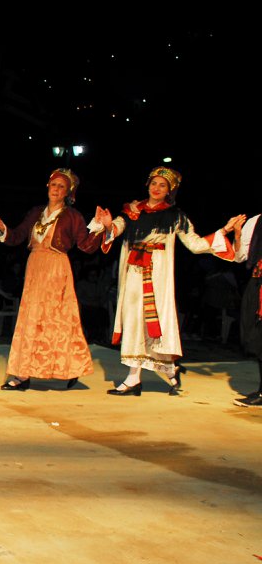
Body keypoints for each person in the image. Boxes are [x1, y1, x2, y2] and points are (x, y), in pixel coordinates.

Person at [94, 167, 242, 395]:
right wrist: (106, 224)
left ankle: (168, 369)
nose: (156, 188)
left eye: (162, 185)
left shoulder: (176, 216)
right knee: (133, 319)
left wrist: (224, 230)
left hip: (157, 275)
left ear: (169, 191)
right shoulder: (132, 211)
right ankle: (136, 377)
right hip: (133, 273)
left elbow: (195, 244)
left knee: (156, 323)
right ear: (148, 185)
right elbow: (116, 228)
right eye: (154, 183)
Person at [0, 169, 103, 390]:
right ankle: (23, 374)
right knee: (30, 319)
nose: (56, 189)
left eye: (61, 187)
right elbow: (17, 236)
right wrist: (3, 229)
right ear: (48, 186)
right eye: (54, 185)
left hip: (57, 269)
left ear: (67, 193)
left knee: (58, 320)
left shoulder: (73, 216)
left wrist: (99, 227)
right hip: (35, 268)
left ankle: (69, 368)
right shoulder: (36, 213)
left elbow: (86, 246)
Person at [232, 214, 262, 406]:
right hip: (259, 283)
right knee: (256, 337)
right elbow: (239, 256)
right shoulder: (257, 221)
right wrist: (237, 234)